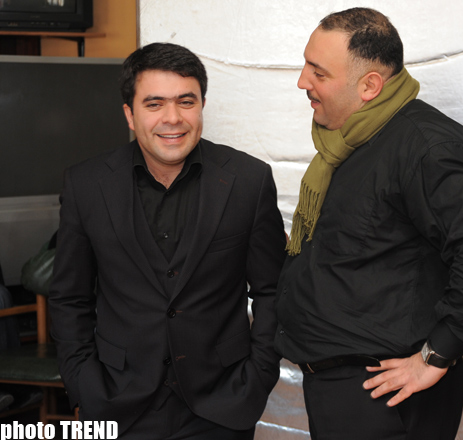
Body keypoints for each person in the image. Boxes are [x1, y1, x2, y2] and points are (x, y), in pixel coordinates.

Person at [275, 8, 463, 440]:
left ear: (370, 85)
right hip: (345, 392)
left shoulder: (427, 147)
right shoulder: (350, 142)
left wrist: (435, 355)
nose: (302, 82)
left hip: (384, 397)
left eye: (318, 72)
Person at [48, 42, 287, 440]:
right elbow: (69, 296)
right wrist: (83, 382)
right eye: (154, 104)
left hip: (223, 405)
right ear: (130, 114)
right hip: (116, 403)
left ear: (202, 105)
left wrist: (258, 376)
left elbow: (272, 290)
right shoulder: (86, 184)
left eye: (186, 102)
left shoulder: (249, 180)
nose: (172, 118)